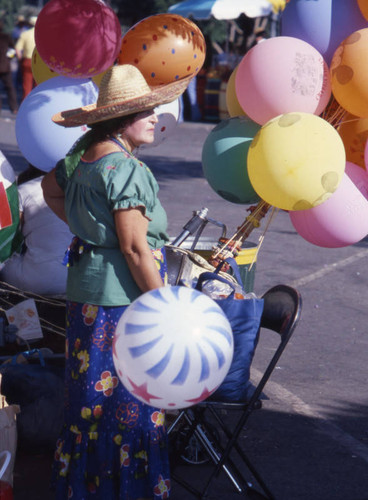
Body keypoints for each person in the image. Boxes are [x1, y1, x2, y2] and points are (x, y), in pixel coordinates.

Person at [41, 64, 192, 499]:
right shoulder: (126, 168)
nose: (155, 118)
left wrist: (90, 231)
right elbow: (135, 250)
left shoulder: (83, 153)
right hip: (124, 303)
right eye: (146, 111)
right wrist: (168, 308)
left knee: (87, 402)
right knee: (129, 408)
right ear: (121, 118)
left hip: (86, 296)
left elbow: (51, 191)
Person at [0, 164, 73, 295]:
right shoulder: (79, 189)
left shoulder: (25, 189)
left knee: (7, 262)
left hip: (36, 282)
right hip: (75, 281)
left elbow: (10, 236)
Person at [15, 15, 36, 100]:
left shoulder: (25, 34)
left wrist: (20, 60)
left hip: (27, 60)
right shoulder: (43, 34)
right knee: (38, 85)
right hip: (39, 62)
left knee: (27, 85)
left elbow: (17, 48)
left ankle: (25, 105)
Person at [0, 20, 18, 114]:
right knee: (10, 88)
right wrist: (8, 59)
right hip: (5, 66)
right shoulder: (6, 37)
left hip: (4, 65)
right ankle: (14, 107)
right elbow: (13, 50)